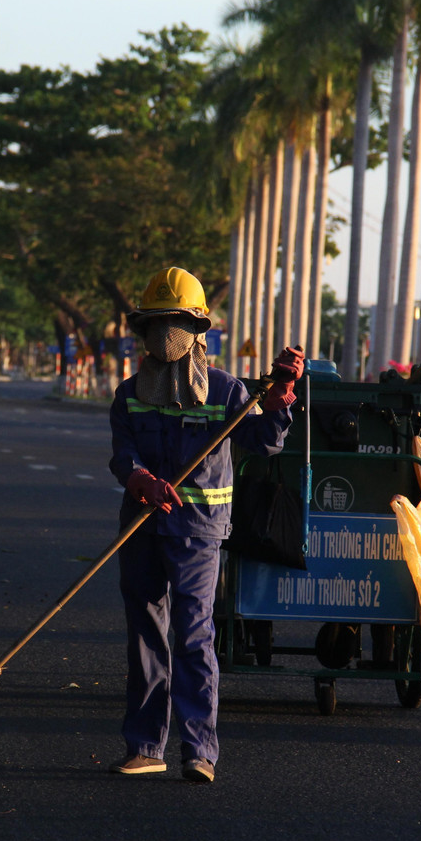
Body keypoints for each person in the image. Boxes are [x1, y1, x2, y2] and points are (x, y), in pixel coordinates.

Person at [108, 266, 304, 783]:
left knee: (193, 635)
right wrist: (140, 480)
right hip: (142, 530)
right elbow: (121, 456)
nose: (164, 333)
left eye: (174, 321)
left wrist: (282, 392)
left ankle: (200, 752)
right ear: (142, 329)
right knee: (147, 638)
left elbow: (264, 440)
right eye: (155, 322)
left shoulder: (225, 390)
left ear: (197, 330)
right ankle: (146, 747)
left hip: (198, 533)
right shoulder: (128, 393)